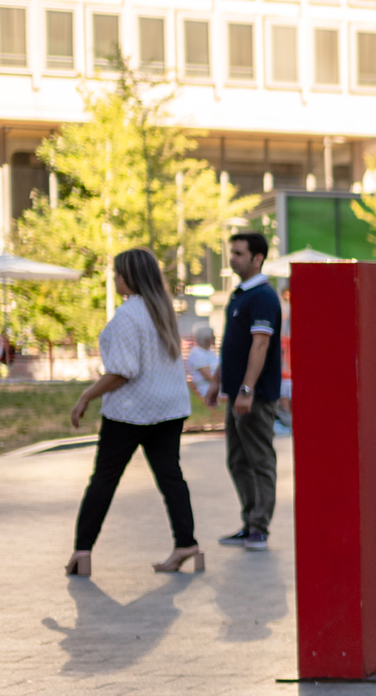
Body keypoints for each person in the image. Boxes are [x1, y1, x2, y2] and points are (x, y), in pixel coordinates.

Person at [65, 249, 200, 577]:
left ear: (131, 277)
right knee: (171, 478)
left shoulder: (128, 315)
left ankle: (82, 551)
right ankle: (187, 543)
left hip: (130, 412)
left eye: (118, 273)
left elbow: (123, 371)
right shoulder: (162, 310)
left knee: (103, 480)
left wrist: (86, 395)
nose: (115, 278)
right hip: (169, 409)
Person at [216, 232, 284, 549]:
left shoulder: (263, 297)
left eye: (239, 253)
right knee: (237, 460)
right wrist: (218, 381)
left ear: (257, 258)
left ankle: (260, 528)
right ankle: (249, 522)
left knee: (259, 460)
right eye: (232, 252)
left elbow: (260, 344)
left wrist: (246, 389)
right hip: (236, 393)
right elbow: (233, 346)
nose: (232, 258)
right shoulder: (239, 295)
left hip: (254, 396)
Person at [185, 325, 220, 405]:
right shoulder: (197, 354)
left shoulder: (210, 352)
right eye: (212, 336)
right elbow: (209, 377)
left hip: (217, 387)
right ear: (206, 338)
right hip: (207, 389)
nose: (215, 338)